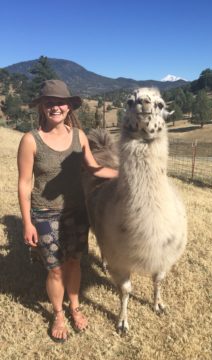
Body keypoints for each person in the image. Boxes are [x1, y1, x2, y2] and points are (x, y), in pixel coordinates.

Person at [17, 79, 118, 342]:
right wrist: (27, 222)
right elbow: (25, 184)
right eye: (49, 102)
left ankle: (75, 307)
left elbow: (94, 168)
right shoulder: (31, 140)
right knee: (56, 269)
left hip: (77, 212)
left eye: (60, 102)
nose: (55, 107)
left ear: (68, 106)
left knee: (74, 262)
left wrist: (123, 175)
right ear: (41, 107)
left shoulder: (79, 136)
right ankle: (59, 314)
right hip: (45, 213)